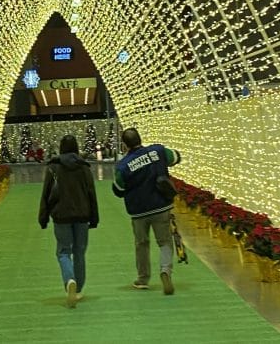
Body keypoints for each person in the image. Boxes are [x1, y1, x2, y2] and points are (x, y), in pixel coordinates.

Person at [112, 127, 181, 295]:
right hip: (161, 206)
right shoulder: (158, 150)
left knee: (141, 244)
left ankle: (143, 279)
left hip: (138, 212)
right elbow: (176, 157)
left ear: (125, 145)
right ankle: (165, 270)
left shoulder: (123, 166)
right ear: (140, 138)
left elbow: (118, 190)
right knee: (164, 242)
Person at [38, 135, 99, 308]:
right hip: (82, 216)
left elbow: (46, 194)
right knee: (79, 252)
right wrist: (94, 218)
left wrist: (43, 217)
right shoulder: (84, 167)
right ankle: (78, 289)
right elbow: (91, 194)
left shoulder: (53, 167)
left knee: (63, 252)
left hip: (61, 216)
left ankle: (69, 280)